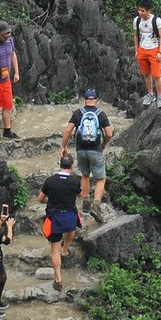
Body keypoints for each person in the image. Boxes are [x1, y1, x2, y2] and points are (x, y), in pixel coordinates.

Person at [61, 88, 113, 221]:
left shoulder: (78, 113)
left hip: (81, 150)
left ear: (85, 100)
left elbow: (67, 131)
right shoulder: (101, 114)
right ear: (96, 100)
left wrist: (63, 147)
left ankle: (85, 201)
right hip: (95, 150)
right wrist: (104, 144)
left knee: (85, 175)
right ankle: (96, 204)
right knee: (100, 178)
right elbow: (109, 133)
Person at [38, 153, 81, 292]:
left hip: (54, 217)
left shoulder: (50, 180)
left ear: (59, 164)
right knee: (71, 229)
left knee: (54, 251)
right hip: (69, 215)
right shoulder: (75, 181)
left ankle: (58, 279)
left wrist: (50, 201)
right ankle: (65, 249)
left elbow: (40, 199)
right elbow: (79, 195)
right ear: (72, 166)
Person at [133, 1, 161, 107]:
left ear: (148, 11)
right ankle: (150, 94)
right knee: (146, 73)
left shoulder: (156, 20)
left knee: (157, 75)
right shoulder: (137, 20)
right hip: (142, 49)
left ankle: (160, 97)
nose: (140, 13)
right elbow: (136, 36)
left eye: (142, 11)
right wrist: (137, 50)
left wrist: (160, 52)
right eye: (139, 10)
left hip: (154, 50)